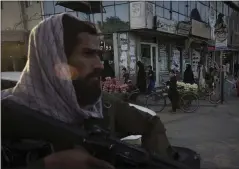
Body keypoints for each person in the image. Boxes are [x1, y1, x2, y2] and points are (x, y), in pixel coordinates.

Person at [1, 14, 176, 169]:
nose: (100, 64)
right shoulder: (9, 114)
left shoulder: (102, 105)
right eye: (87, 53)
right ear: (55, 59)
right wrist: (48, 164)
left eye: (98, 54)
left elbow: (151, 124)